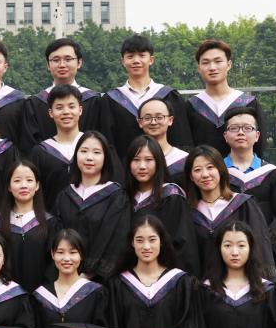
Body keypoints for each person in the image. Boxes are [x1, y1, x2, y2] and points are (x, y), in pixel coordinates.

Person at [221, 106, 276, 297]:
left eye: (247, 128)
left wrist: (259, 242)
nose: (241, 133)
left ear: (257, 135)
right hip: (225, 253)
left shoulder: (271, 174)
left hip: (265, 254)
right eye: (234, 128)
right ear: (225, 136)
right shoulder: (216, 174)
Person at [184, 146, 276, 281]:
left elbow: (261, 250)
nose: (205, 174)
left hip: (241, 288)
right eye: (197, 170)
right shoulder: (187, 213)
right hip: (201, 288)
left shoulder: (243, 205)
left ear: (221, 170)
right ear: (191, 177)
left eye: (210, 167)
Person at [54, 131, 130, 281]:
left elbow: (116, 242)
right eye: (83, 151)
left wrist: (87, 276)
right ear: (76, 156)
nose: (89, 157)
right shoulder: (65, 196)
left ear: (106, 158)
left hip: (102, 281)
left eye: (96, 152)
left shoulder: (116, 196)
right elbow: (56, 237)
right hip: (65, 277)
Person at [104, 34, 193, 159]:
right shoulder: (111, 100)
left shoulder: (169, 96)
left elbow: (181, 137)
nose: (136, 61)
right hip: (125, 167)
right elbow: (108, 143)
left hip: (167, 166)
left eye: (142, 55)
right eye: (130, 56)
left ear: (151, 60)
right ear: (123, 61)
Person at [125, 136, 201, 276]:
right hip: (130, 276)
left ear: (159, 162)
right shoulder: (123, 198)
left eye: (149, 160)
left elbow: (184, 245)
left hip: (167, 277)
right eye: (136, 160)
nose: (142, 166)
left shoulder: (172, 196)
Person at [0, 159, 57, 294]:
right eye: (17, 180)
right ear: (9, 187)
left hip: (43, 295)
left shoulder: (50, 223)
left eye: (29, 180)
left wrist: (44, 290)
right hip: (5, 295)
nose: (24, 185)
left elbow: (55, 262)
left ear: (37, 186)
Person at [187, 40, 265, 156]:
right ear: (199, 68)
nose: (212, 67)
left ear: (229, 65)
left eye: (218, 61)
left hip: (242, 167)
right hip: (204, 167)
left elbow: (260, 147)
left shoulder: (249, 103)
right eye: (205, 63)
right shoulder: (191, 106)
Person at [29, 38, 109, 142]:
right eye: (56, 60)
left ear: (79, 62)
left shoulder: (94, 101)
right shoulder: (35, 103)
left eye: (68, 59)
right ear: (48, 65)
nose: (62, 65)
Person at [29, 84, 84, 211]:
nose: (66, 112)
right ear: (51, 113)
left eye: (71, 106)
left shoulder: (94, 148)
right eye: (59, 107)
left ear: (80, 110)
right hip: (51, 219)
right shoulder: (40, 152)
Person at [137, 98, 190, 182]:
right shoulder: (134, 161)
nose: (153, 122)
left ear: (170, 120)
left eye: (159, 117)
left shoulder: (185, 160)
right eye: (147, 118)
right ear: (140, 122)